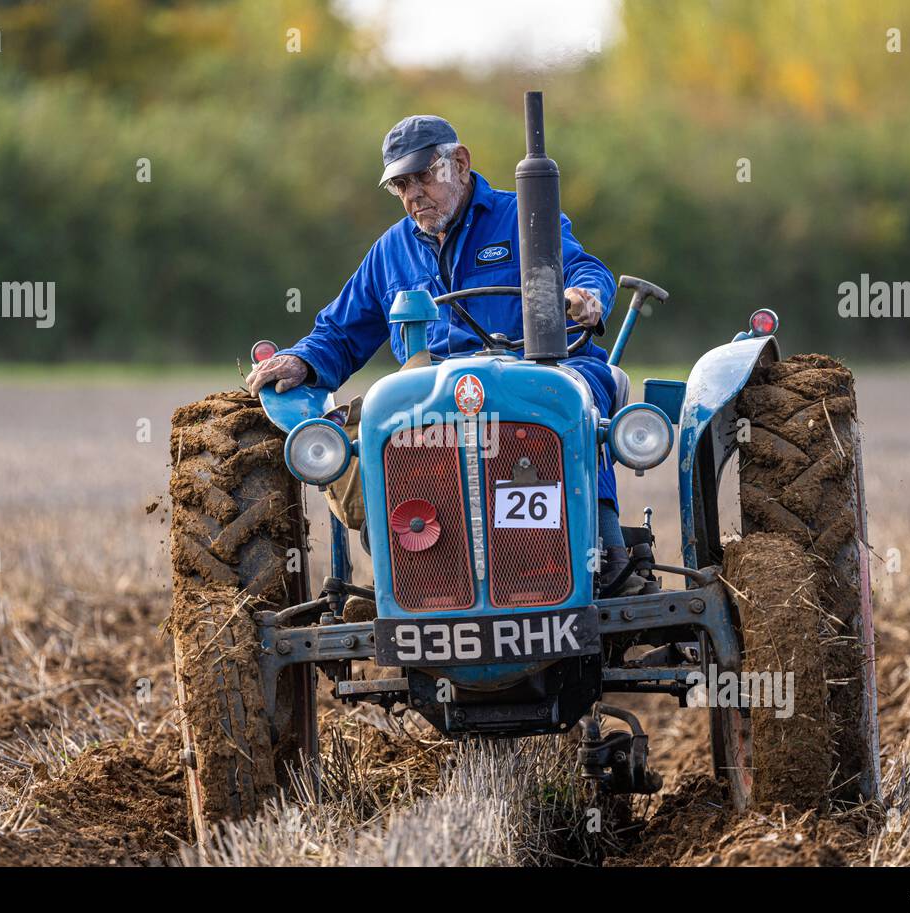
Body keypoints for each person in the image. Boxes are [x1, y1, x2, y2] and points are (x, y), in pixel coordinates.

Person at [246, 114, 638, 590]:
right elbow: (341, 332)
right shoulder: (391, 251)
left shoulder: (523, 216)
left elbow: (583, 268)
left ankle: (603, 543)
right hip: (434, 390)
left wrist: (583, 296)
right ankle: (409, 568)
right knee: (368, 425)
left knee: (572, 395)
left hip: (535, 369)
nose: (413, 195)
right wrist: (303, 360)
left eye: (424, 177)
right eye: (401, 185)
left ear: (461, 164)